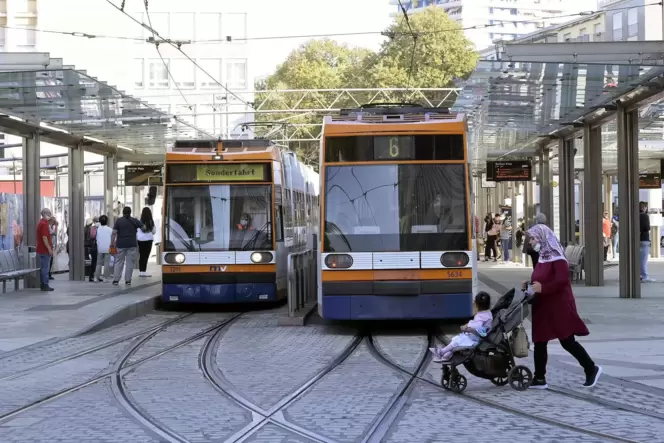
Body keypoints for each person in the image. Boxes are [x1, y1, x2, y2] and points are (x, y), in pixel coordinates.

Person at [522, 224, 602, 389]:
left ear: (543, 237)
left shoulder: (557, 257)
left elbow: (562, 280)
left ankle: (591, 368)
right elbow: (542, 277)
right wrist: (530, 284)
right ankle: (539, 378)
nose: (530, 242)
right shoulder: (542, 256)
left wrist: (543, 288)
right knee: (540, 340)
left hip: (558, 305)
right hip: (543, 305)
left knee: (567, 340)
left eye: (533, 238)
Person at [429, 292, 493, 363]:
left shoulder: (481, 316)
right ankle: (447, 355)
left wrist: (467, 328)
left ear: (476, 304)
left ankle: (441, 352)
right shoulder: (487, 313)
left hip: (475, 339)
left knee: (456, 341)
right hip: (477, 336)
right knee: (457, 341)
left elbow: (477, 327)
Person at [111, 207, 144, 286]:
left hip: (120, 244)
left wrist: (112, 242)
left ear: (123, 212)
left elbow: (114, 233)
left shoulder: (119, 221)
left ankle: (116, 280)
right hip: (131, 244)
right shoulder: (134, 220)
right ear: (130, 212)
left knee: (119, 262)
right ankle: (128, 280)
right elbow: (144, 228)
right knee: (130, 263)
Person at [36, 208, 54, 292]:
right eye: (49, 213)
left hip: (42, 249)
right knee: (45, 268)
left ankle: (43, 284)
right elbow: (44, 237)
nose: (50, 215)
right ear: (44, 214)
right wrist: (49, 248)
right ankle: (45, 284)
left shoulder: (42, 223)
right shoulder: (43, 224)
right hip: (44, 249)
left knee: (44, 267)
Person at [137, 207, 157, 278]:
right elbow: (154, 232)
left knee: (141, 255)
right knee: (146, 256)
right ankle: (143, 271)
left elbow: (137, 231)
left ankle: (141, 271)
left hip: (140, 240)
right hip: (149, 240)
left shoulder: (139, 221)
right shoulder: (151, 222)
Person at [94, 215, 113, 282]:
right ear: (107, 221)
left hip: (100, 248)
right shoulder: (110, 229)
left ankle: (96, 277)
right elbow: (113, 238)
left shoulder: (98, 229)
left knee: (98, 263)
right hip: (108, 248)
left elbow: (96, 238)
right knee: (106, 263)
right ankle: (105, 278)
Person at [639, 202, 654, 283]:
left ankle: (639, 275)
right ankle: (644, 276)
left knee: (638, 259)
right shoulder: (645, 216)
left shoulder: (634, 215)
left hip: (637, 240)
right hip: (644, 239)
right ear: (644, 208)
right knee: (644, 260)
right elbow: (647, 228)